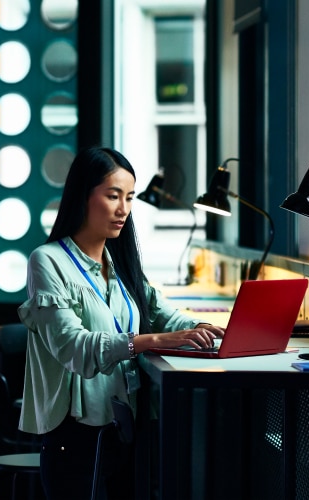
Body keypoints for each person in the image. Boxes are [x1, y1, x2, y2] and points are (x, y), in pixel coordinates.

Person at [17, 146, 224, 499]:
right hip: (76, 435)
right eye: (113, 196)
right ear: (83, 195)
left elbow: (162, 313)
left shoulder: (119, 263)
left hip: (124, 427)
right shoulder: (47, 261)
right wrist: (150, 341)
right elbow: (74, 349)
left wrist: (206, 329)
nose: (123, 209)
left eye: (128, 197)